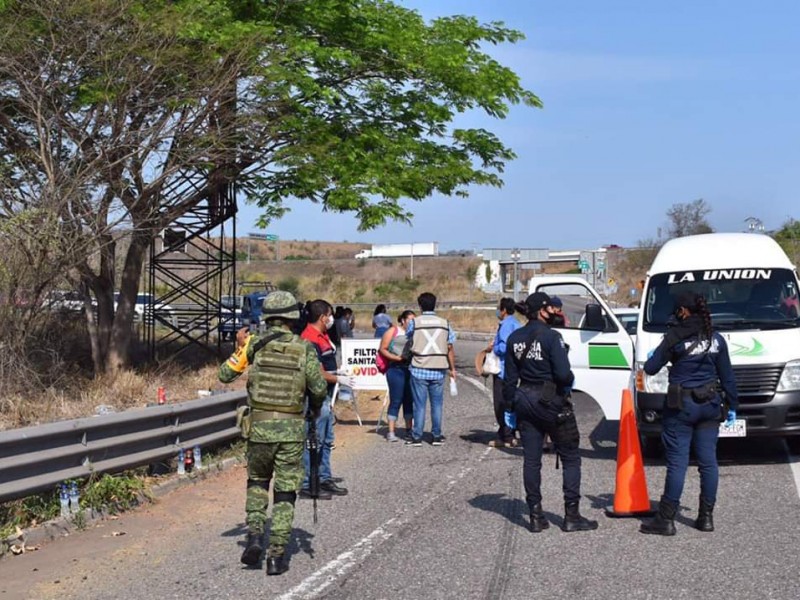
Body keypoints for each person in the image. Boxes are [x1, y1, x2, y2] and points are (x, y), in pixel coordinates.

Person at [218, 291, 327, 576]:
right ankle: (276, 556)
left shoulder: (255, 343)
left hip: (259, 430)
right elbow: (318, 389)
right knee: (285, 493)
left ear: (267, 316)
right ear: (293, 317)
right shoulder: (304, 348)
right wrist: (313, 411)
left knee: (257, 483)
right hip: (291, 432)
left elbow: (225, 374)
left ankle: (255, 536)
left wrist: (240, 346)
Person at [640, 291, 738, 536]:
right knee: (708, 462)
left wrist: (657, 353)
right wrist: (733, 405)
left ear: (683, 311)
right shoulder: (715, 339)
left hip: (681, 406)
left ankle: (666, 519)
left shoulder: (674, 337)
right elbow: (727, 377)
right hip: (710, 404)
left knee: (677, 463)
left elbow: (651, 369)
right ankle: (706, 518)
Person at [504, 292, 598, 533]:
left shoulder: (514, 338)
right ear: (542, 310)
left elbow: (509, 380)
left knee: (532, 460)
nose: (556, 312)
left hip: (525, 401)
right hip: (552, 403)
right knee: (570, 456)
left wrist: (511, 407)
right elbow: (564, 375)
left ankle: (535, 516)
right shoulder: (551, 337)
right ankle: (572, 515)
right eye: (551, 308)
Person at [300, 299, 355, 499]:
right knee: (314, 441)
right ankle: (309, 483)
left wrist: (338, 372)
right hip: (315, 399)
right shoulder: (309, 339)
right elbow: (315, 372)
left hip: (326, 397)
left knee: (326, 440)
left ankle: (323, 477)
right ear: (323, 317)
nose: (332, 319)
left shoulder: (322, 336)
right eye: (330, 315)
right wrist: (339, 377)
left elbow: (326, 366)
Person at [405, 292, 456, 446]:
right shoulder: (444, 323)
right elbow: (450, 345)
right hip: (439, 367)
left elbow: (408, 337)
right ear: (435, 304)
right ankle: (436, 435)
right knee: (437, 404)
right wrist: (452, 369)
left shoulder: (415, 322)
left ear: (420, 306)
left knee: (419, 404)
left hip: (419, 367)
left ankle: (417, 436)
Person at [484, 298, 521, 447]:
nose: (497, 311)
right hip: (514, 370)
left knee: (501, 403)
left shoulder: (506, 325)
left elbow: (505, 347)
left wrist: (494, 348)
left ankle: (506, 435)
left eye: (499, 308)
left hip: (503, 370)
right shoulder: (516, 323)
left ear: (504, 310)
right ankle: (508, 433)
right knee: (510, 402)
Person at [379, 310, 416, 442]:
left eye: (414, 320)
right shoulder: (393, 331)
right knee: (396, 399)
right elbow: (382, 348)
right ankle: (391, 431)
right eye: (410, 320)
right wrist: (396, 358)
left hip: (410, 369)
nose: (412, 323)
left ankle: (409, 430)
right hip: (395, 369)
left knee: (409, 400)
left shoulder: (414, 333)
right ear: (403, 320)